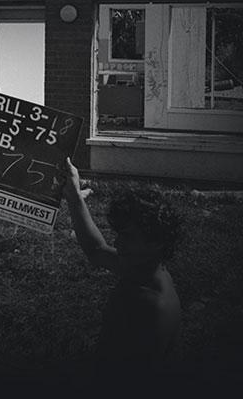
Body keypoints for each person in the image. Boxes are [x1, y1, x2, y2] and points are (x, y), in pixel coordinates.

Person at [62, 157, 182, 380]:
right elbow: (97, 250)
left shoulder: (152, 307)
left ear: (156, 242)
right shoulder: (145, 270)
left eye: (127, 237)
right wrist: (74, 198)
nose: (117, 244)